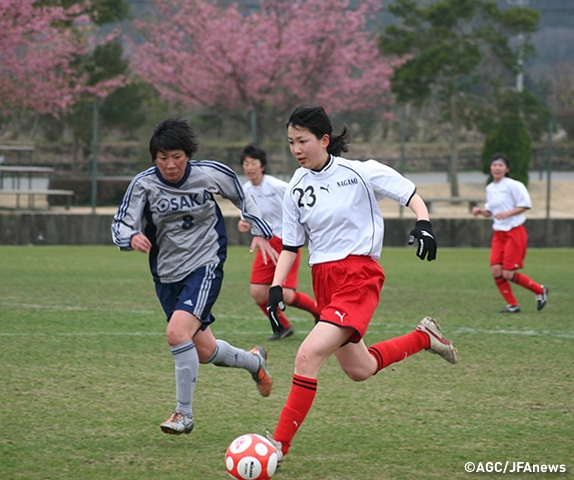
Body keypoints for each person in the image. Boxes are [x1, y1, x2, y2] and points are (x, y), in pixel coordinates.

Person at [264, 105, 458, 465]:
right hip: (323, 280)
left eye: (303, 141)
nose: (296, 149)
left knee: (307, 355)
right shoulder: (296, 187)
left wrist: (423, 222)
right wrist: (276, 289)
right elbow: (291, 246)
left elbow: (409, 193)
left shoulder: (361, 172)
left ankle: (277, 445)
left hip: (358, 276)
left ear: (324, 139)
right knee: (360, 369)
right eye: (291, 142)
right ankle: (424, 337)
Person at [111, 118, 279, 436]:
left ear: (187, 155)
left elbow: (243, 197)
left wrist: (259, 230)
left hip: (205, 264)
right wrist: (130, 238)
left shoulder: (210, 174)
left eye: (176, 156)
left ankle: (183, 414)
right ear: (154, 158)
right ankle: (254, 362)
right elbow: (121, 223)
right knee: (203, 351)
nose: (170, 165)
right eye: (162, 158)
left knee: (177, 333)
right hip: (166, 273)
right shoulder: (143, 184)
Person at [238, 143, 320, 340]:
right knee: (258, 292)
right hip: (264, 244)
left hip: (285, 243)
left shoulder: (277, 186)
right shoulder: (245, 190)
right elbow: (248, 215)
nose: (249, 167)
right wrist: (245, 223)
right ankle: (283, 327)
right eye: (246, 164)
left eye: (253, 163)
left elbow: (300, 202)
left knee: (286, 295)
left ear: (262, 166)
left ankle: (319, 312)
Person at [472, 154, 548, 313]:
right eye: (494, 165)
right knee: (496, 270)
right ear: (490, 168)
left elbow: (526, 205)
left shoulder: (514, 185)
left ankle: (540, 290)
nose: (497, 168)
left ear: (506, 169)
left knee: (507, 273)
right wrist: (481, 211)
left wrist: (507, 214)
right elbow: (492, 212)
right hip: (498, 233)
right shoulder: (490, 188)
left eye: (500, 165)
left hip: (514, 231)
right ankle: (513, 305)